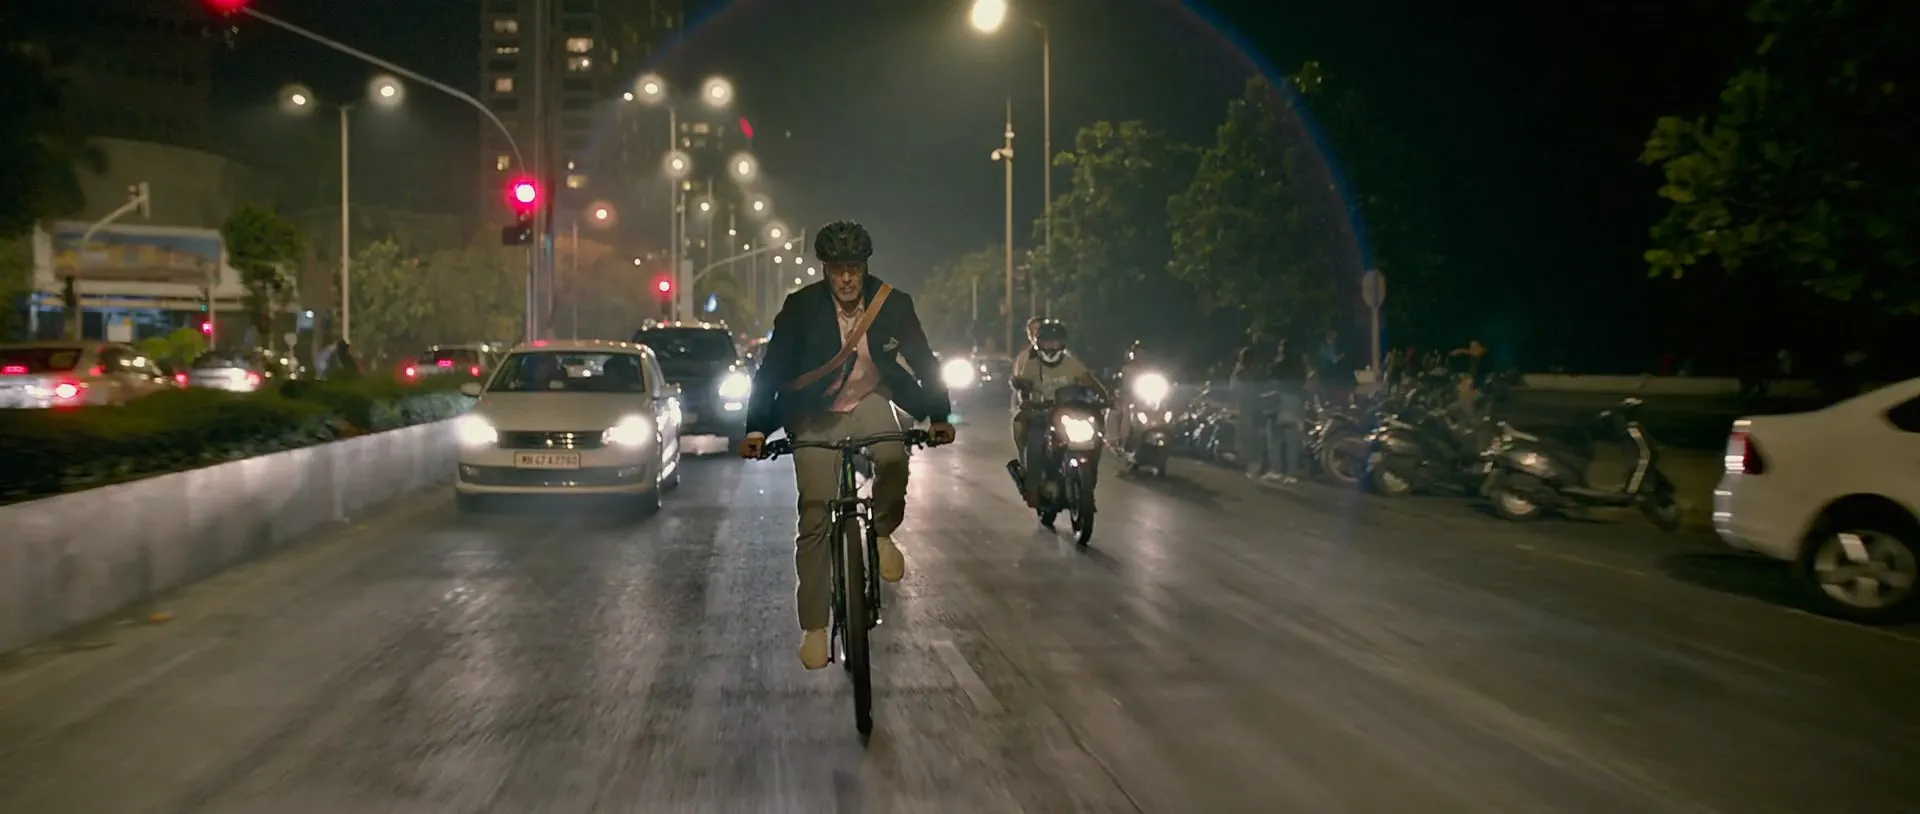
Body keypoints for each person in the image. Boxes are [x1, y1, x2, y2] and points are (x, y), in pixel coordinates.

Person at [737, 220, 956, 670]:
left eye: (854, 268)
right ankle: (815, 628)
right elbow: (772, 369)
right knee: (815, 511)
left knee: (893, 456)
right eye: (838, 270)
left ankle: (882, 533)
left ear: (865, 266)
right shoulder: (800, 308)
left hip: (869, 398)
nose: (847, 278)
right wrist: (757, 427)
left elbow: (924, 362)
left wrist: (939, 415)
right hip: (814, 412)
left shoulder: (892, 303)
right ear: (825, 270)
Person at [1010, 320, 1109, 505]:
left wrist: (1105, 397)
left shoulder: (1072, 363)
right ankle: (1033, 487)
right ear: (1039, 343)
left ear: (1062, 343)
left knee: (1096, 435)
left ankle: (1089, 480)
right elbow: (1022, 385)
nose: (1051, 346)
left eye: (1055, 342)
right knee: (1035, 442)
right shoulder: (1031, 364)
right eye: (1047, 342)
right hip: (1042, 413)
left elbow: (1089, 381)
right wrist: (1027, 399)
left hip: (1069, 413)